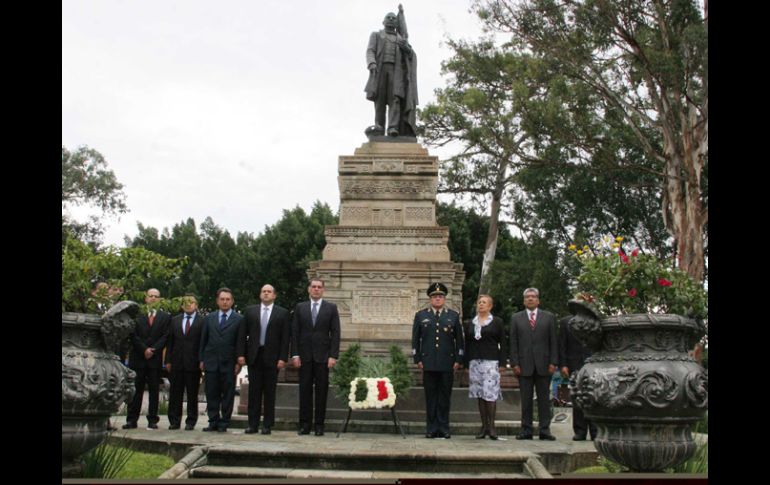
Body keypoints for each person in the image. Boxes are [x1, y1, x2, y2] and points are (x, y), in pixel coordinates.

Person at [412, 282, 464, 439]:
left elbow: (459, 341)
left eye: (440, 296)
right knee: (430, 397)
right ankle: (431, 428)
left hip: (447, 363)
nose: (438, 299)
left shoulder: (453, 316)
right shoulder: (421, 315)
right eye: (435, 297)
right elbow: (416, 339)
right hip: (428, 363)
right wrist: (417, 358)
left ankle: (444, 428)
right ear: (430, 299)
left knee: (444, 397)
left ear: (444, 299)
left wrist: (458, 359)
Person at [237, 284, 291, 435]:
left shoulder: (282, 313)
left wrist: (282, 358)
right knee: (254, 392)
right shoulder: (250, 311)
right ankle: (252, 424)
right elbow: (242, 335)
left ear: (274, 295)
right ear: (260, 294)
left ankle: (267, 424)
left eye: (269, 292)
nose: (266, 294)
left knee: (269, 392)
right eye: (263, 291)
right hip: (254, 356)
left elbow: (285, 338)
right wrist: (241, 354)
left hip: (272, 358)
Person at [291, 278, 341, 436]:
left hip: (323, 357)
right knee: (304, 391)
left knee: (321, 392)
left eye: (319, 287)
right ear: (309, 289)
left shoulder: (331, 308)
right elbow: (295, 333)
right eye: (314, 287)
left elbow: (335, 333)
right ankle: (304, 425)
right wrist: (295, 354)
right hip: (304, 356)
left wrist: (333, 355)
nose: (316, 289)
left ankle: (319, 425)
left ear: (323, 290)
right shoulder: (300, 307)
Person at [509, 288, 558, 441]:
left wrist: (553, 362)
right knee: (526, 400)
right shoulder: (516, 318)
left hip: (544, 364)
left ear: (538, 300)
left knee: (544, 400)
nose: (530, 299)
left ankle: (545, 430)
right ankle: (526, 430)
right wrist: (515, 363)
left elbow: (553, 342)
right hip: (524, 365)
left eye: (533, 297)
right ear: (524, 301)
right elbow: (513, 342)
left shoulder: (549, 317)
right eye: (527, 297)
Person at [364, 4, 418, 137]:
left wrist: (407, 49)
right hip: (380, 70)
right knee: (380, 100)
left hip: (397, 72)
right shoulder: (376, 35)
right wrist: (371, 63)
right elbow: (370, 50)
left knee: (395, 99)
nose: (391, 19)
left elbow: (411, 55)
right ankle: (379, 127)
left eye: (394, 18)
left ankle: (393, 127)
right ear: (383, 21)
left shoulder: (401, 39)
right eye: (388, 17)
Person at [123, 288, 171, 430]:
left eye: (156, 296)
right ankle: (132, 420)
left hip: (155, 360)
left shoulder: (165, 317)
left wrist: (153, 350)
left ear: (160, 299)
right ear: (146, 298)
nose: (153, 299)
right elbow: (133, 335)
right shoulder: (136, 315)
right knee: (135, 391)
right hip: (138, 358)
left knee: (154, 391)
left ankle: (152, 420)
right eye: (151, 296)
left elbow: (165, 336)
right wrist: (144, 349)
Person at [199, 287, 244, 432]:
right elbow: (203, 340)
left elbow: (240, 342)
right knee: (211, 393)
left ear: (232, 301)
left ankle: (224, 422)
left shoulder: (239, 319)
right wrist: (202, 359)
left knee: (228, 394)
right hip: (211, 361)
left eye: (228, 299)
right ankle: (213, 421)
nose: (225, 302)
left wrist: (238, 361)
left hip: (229, 363)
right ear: (217, 301)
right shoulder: (209, 318)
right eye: (222, 299)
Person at [464, 294, 506, 440]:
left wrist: (502, 362)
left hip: (491, 362)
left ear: (490, 306)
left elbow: (503, 343)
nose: (481, 304)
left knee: (490, 395)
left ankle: (492, 426)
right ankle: (484, 426)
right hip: (475, 362)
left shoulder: (497, 322)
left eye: (484, 302)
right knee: (480, 395)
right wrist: (466, 363)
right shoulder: (471, 323)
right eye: (479, 302)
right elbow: (467, 344)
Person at [165, 294, 203, 431]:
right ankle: (174, 421)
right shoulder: (174, 320)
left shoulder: (201, 321)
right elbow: (170, 342)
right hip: (176, 363)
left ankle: (191, 421)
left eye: (191, 302)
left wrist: (201, 360)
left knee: (192, 394)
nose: (188, 304)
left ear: (196, 305)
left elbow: (202, 343)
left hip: (193, 363)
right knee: (175, 394)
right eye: (185, 302)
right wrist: (167, 360)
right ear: (181, 306)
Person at [558, 315, 597, 441]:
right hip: (573, 363)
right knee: (577, 397)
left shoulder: (595, 321)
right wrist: (563, 364)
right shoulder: (566, 322)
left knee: (594, 396)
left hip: (593, 362)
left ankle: (595, 430)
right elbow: (562, 345)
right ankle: (580, 430)